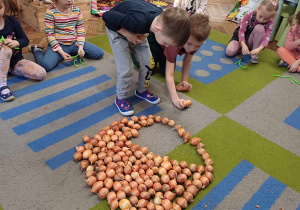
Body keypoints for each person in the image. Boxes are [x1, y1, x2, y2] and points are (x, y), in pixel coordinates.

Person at [102, 0, 190, 116]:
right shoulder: (136, 21)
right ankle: (120, 98)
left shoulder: (160, 19)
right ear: (158, 29)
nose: (167, 46)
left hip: (139, 30)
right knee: (125, 69)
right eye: (166, 42)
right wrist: (128, 34)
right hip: (117, 30)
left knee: (149, 62)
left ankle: (141, 90)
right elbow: (107, 16)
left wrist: (142, 35)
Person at [29, 0, 104, 72]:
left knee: (99, 53)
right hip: (59, 45)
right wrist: (61, 52)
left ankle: (71, 52)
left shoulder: (77, 10)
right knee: (46, 65)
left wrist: (80, 47)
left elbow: (81, 31)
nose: (70, 0)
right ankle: (37, 50)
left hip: (75, 43)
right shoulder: (51, 12)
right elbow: (50, 35)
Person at [0, 0, 46, 102]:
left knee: (41, 73)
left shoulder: (12, 21)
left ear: (5, 7)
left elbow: (25, 40)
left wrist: (17, 43)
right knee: (6, 49)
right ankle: (2, 85)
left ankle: (7, 72)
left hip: (15, 62)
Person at [164, 14, 211, 109]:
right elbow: (169, 74)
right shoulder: (174, 43)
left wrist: (184, 80)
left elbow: (188, 60)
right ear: (184, 34)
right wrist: (175, 99)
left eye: (197, 46)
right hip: (156, 41)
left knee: (166, 68)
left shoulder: (194, 42)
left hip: (174, 46)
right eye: (189, 43)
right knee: (150, 66)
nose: (192, 48)